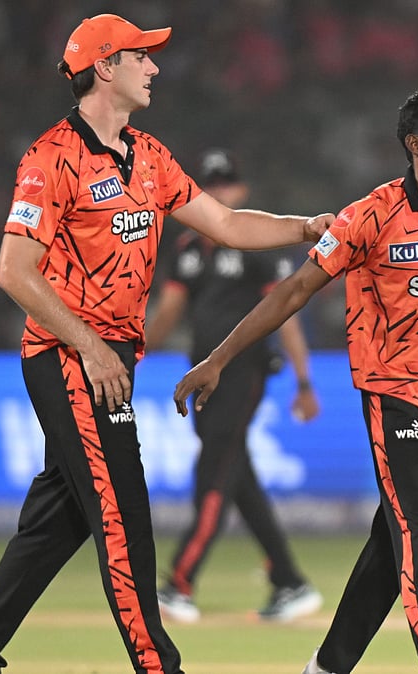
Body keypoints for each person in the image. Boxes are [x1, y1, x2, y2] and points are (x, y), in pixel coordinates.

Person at [0, 13, 333, 674]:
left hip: (108, 359)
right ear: (103, 67)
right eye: (140, 57)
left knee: (59, 518)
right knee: (124, 515)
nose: (153, 67)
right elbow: (13, 271)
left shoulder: (149, 157)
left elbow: (228, 223)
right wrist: (92, 349)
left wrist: (304, 227)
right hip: (70, 360)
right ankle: (159, 666)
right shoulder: (50, 159)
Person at [172, 89, 418, 674]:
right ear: (415, 144)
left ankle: (328, 666)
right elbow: (294, 290)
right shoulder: (370, 215)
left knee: (393, 547)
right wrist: (219, 358)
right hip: (391, 398)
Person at [147, 148, 324, 623]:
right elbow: (167, 313)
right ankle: (290, 581)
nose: (220, 193)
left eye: (227, 186)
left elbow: (286, 313)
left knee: (214, 472)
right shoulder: (187, 249)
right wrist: (128, 349)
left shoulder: (257, 244)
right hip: (202, 378)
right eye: (211, 186)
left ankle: (179, 583)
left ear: (241, 192)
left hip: (242, 375)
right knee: (234, 474)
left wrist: (304, 381)